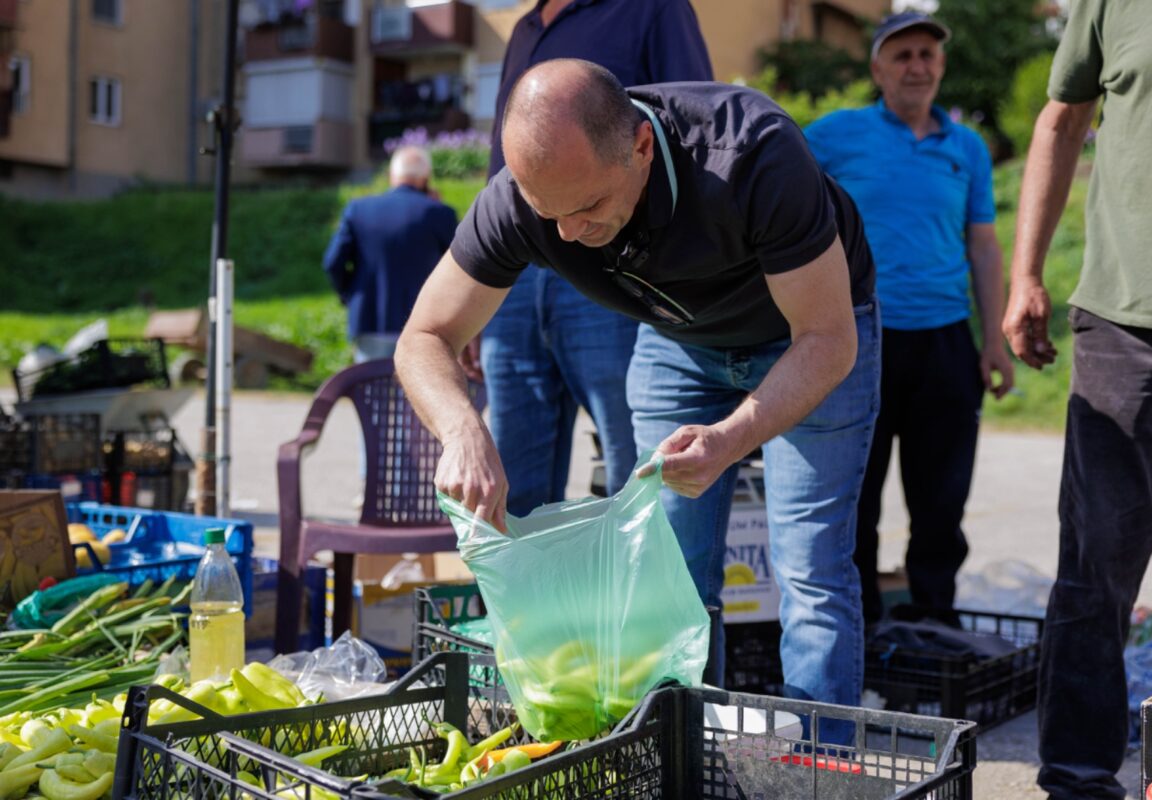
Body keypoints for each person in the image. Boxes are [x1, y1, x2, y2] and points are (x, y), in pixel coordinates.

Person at [396, 59, 880, 707]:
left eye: (590, 205)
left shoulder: (753, 153)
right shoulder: (521, 201)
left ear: (641, 146)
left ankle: (823, 766)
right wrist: (462, 429)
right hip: (680, 343)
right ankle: (686, 758)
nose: (570, 234)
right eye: (550, 214)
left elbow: (828, 340)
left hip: (806, 337)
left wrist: (731, 439)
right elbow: (424, 337)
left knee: (810, 568)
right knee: (668, 574)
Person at [1000, 0, 1152, 796]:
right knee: (1093, 577)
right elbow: (1060, 119)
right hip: (1130, 323)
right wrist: (1024, 276)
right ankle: (1079, 782)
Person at [462, 0, 713, 516]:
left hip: (612, 264)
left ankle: (641, 597)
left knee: (638, 470)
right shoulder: (524, 29)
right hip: (520, 272)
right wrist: (480, 296)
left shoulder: (653, 8)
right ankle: (525, 600)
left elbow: (693, 129)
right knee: (511, 479)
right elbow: (504, 164)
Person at [804, 12, 1013, 624]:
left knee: (941, 501)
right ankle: (860, 627)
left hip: (947, 342)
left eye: (927, 54)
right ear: (877, 69)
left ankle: (933, 626)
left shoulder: (967, 146)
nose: (917, 66)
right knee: (855, 501)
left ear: (941, 66)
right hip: (858, 338)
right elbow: (783, 204)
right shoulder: (834, 135)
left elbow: (983, 245)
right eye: (903, 55)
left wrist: (993, 339)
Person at [323, 146, 457, 364]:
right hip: (424, 323)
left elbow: (332, 262)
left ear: (392, 175)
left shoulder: (358, 210)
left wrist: (351, 294)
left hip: (370, 319)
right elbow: (457, 269)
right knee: (415, 395)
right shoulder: (440, 213)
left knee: (371, 392)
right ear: (426, 178)